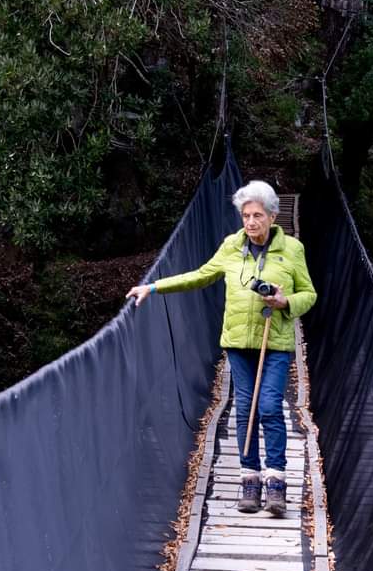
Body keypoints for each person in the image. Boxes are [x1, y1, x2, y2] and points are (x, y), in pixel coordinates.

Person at [126, 180, 317, 516]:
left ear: (273, 216)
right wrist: (153, 287)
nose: (251, 222)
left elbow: (309, 294)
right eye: (246, 215)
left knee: (270, 406)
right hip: (238, 342)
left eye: (258, 215)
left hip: (275, 341)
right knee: (245, 408)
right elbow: (201, 275)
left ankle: (276, 482)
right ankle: (249, 480)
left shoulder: (292, 250)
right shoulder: (232, 246)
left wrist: (286, 301)